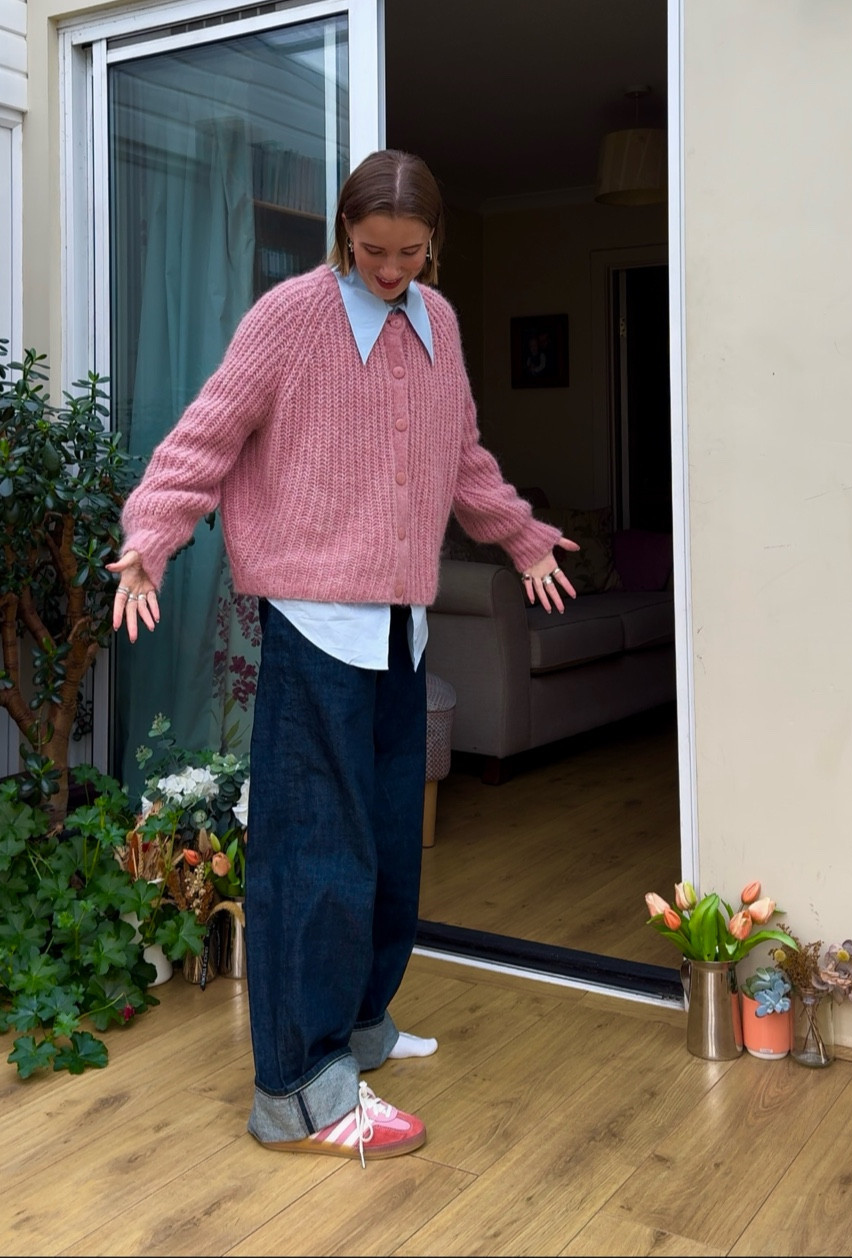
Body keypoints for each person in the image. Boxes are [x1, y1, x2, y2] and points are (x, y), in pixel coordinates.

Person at [108, 148, 579, 1165]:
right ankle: (298, 1087)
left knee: (386, 853)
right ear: (344, 234)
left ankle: (359, 1028)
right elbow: (207, 436)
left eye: (411, 253)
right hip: (316, 623)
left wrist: (523, 535)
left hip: (398, 628)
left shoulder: (437, 322)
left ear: (433, 247)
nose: (392, 268)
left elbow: (461, 456)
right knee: (313, 855)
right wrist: (150, 538)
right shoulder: (291, 316)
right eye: (374, 250)